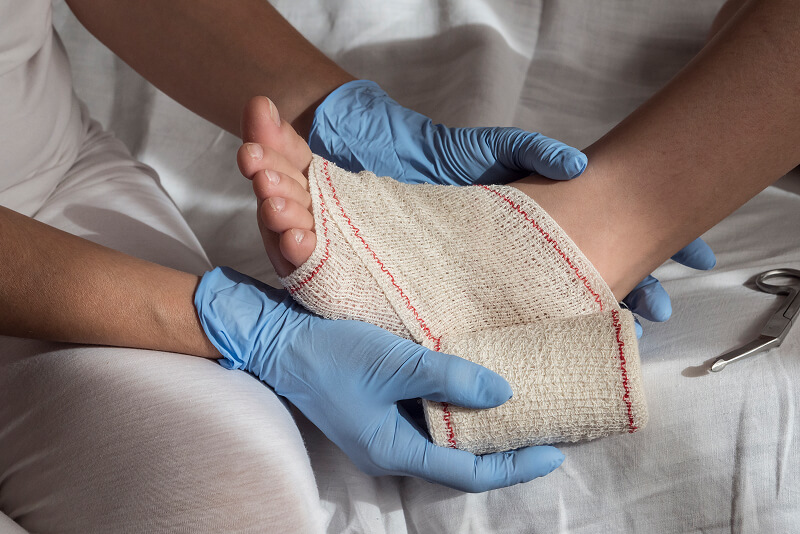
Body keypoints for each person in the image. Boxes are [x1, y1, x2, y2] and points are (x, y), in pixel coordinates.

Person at [0, 1, 772, 533]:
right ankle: (575, 236)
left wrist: (347, 117)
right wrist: (243, 325)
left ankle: (588, 226)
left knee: (230, 501)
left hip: (47, 187)